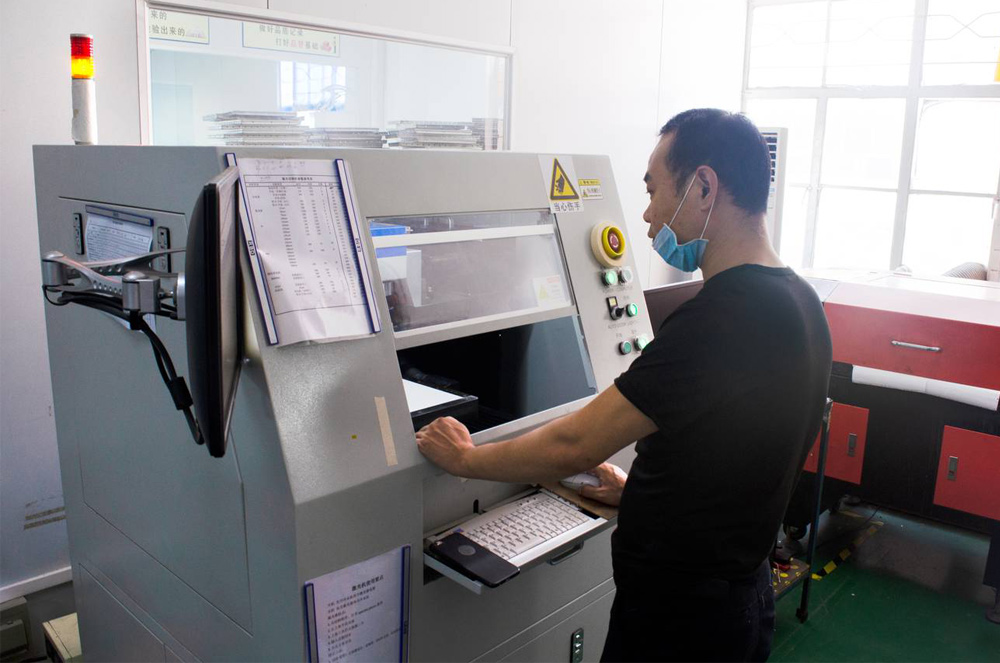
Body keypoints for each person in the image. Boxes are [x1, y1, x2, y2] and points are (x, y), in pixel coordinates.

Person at [416, 108, 832, 662]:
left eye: (654, 190)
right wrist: (637, 494)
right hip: (738, 601)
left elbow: (575, 444)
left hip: (680, 620)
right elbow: (736, 462)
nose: (647, 213)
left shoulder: (720, 317)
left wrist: (466, 458)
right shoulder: (801, 302)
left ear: (704, 187)